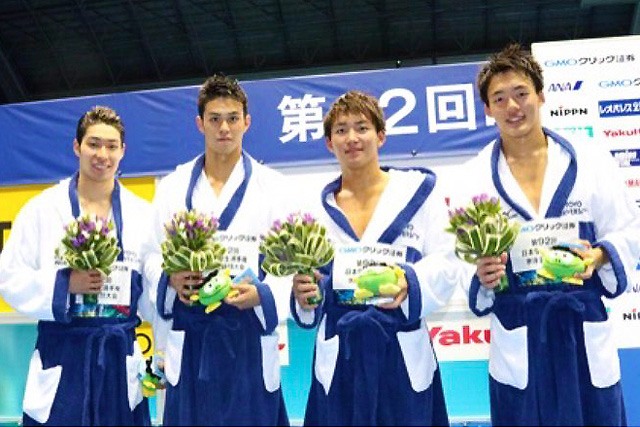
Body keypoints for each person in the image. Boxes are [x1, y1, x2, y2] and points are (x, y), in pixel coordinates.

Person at [457, 43, 640, 426]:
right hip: (519, 327)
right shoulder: (473, 176)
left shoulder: (589, 159)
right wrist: (481, 274)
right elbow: (460, 257)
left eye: (521, 93)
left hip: (580, 321)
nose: (513, 106)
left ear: (540, 95)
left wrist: (602, 255)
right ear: (487, 109)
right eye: (499, 98)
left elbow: (629, 228)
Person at [291, 90, 462, 426]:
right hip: (341, 353)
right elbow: (303, 285)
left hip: (400, 346)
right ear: (329, 143)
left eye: (362, 128)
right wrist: (302, 294)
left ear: (381, 136)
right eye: (341, 130)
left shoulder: (418, 192)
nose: (352, 138)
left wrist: (408, 281)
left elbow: (447, 260)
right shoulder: (313, 210)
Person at [141, 74, 290, 426]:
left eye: (233, 118)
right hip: (191, 337)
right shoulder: (172, 187)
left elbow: (288, 265)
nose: (224, 127)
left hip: (249, 336)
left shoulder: (275, 187)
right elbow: (149, 255)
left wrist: (264, 294)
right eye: (215, 119)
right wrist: (171, 279)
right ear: (200, 123)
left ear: (247, 122)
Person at [0, 106, 161, 425]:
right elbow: (9, 277)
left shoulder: (143, 215)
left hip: (119, 357)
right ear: (77, 147)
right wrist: (64, 285)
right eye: (94, 144)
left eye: (112, 146)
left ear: (123, 151)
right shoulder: (41, 209)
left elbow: (155, 290)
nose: (103, 154)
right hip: (63, 354)